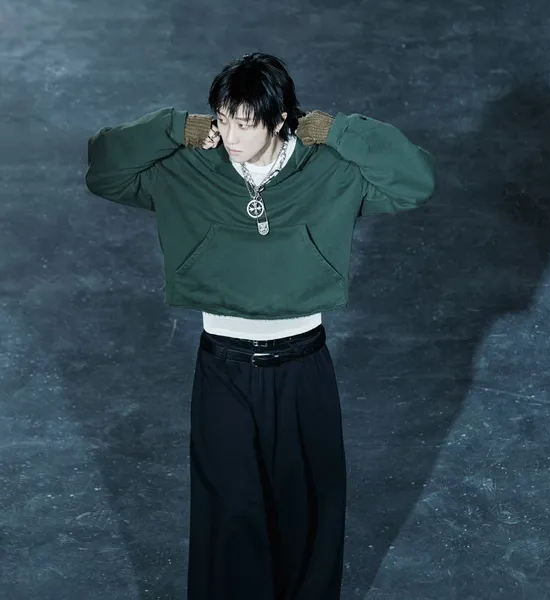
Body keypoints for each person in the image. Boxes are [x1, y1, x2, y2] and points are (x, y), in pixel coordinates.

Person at [85, 52, 435, 600]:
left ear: (280, 120)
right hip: (223, 368)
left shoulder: (328, 169)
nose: (230, 136)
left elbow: (415, 181)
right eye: (223, 119)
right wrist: (174, 128)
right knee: (229, 514)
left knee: (309, 512)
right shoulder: (187, 169)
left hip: (304, 366)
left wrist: (337, 131)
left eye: (245, 123)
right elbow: (104, 168)